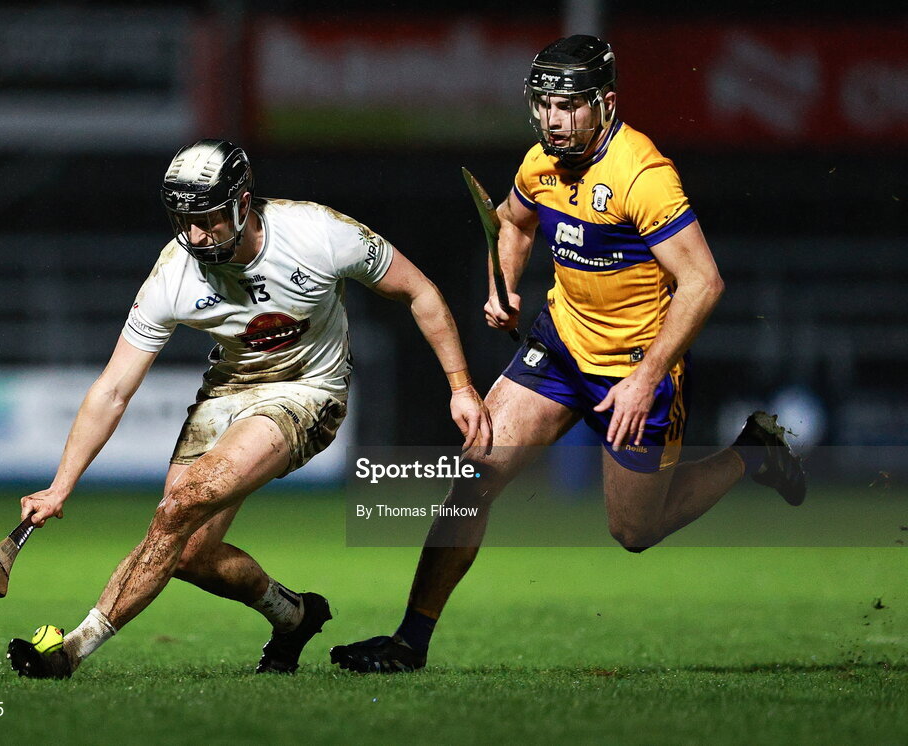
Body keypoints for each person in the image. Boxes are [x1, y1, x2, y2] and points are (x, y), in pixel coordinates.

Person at [330, 35, 805, 673]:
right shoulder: (541, 164)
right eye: (545, 104)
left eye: (569, 106)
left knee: (634, 532)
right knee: (473, 480)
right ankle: (409, 641)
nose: (554, 119)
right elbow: (513, 222)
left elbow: (703, 283)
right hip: (558, 347)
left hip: (634, 369)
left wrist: (645, 378)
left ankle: (752, 455)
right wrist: (505, 285)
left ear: (605, 104)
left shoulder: (643, 176)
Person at [5, 138, 491, 678]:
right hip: (228, 391)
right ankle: (294, 616)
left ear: (242, 202)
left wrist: (461, 387)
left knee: (176, 508)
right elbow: (113, 388)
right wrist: (61, 484)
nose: (194, 234)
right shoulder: (175, 272)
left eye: (207, 218)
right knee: (188, 553)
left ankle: (71, 649)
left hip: (309, 392)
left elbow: (419, 291)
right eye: (183, 219)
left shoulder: (317, 233)